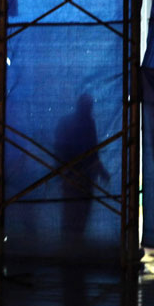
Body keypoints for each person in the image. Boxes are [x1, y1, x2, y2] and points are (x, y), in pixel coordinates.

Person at [54, 94, 110, 246]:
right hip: (79, 175)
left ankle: (71, 243)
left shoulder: (74, 122)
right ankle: (72, 242)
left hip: (76, 175)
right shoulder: (83, 123)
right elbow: (93, 151)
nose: (89, 109)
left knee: (75, 211)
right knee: (76, 211)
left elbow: (92, 151)